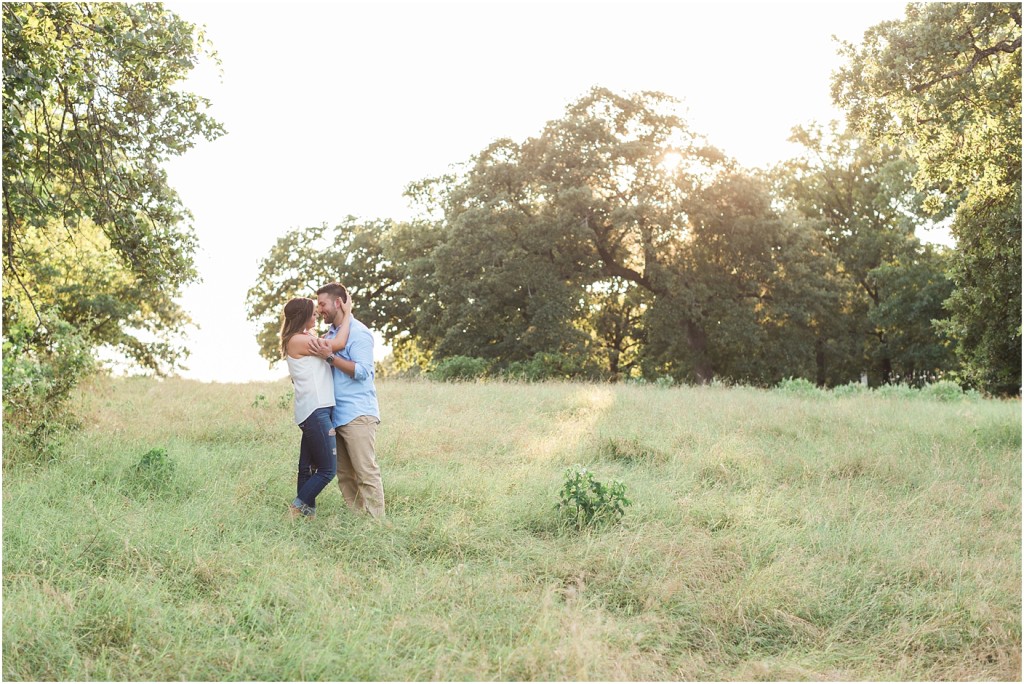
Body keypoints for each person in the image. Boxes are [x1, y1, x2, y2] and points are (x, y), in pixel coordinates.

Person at [309, 282, 385, 518]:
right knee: (344, 474)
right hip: (335, 415)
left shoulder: (359, 333)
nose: (319, 309)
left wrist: (330, 358)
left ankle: (377, 524)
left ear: (338, 303)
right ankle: (358, 520)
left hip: (357, 413)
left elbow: (363, 372)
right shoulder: (330, 334)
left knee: (365, 471)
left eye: (322, 304)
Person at [279, 295, 352, 519]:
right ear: (302, 315)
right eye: (312, 311)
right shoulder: (299, 340)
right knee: (327, 470)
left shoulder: (303, 338)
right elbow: (337, 345)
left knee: (306, 468)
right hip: (316, 410)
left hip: (314, 409)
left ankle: (307, 515)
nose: (317, 314)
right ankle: (297, 507)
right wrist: (347, 313)